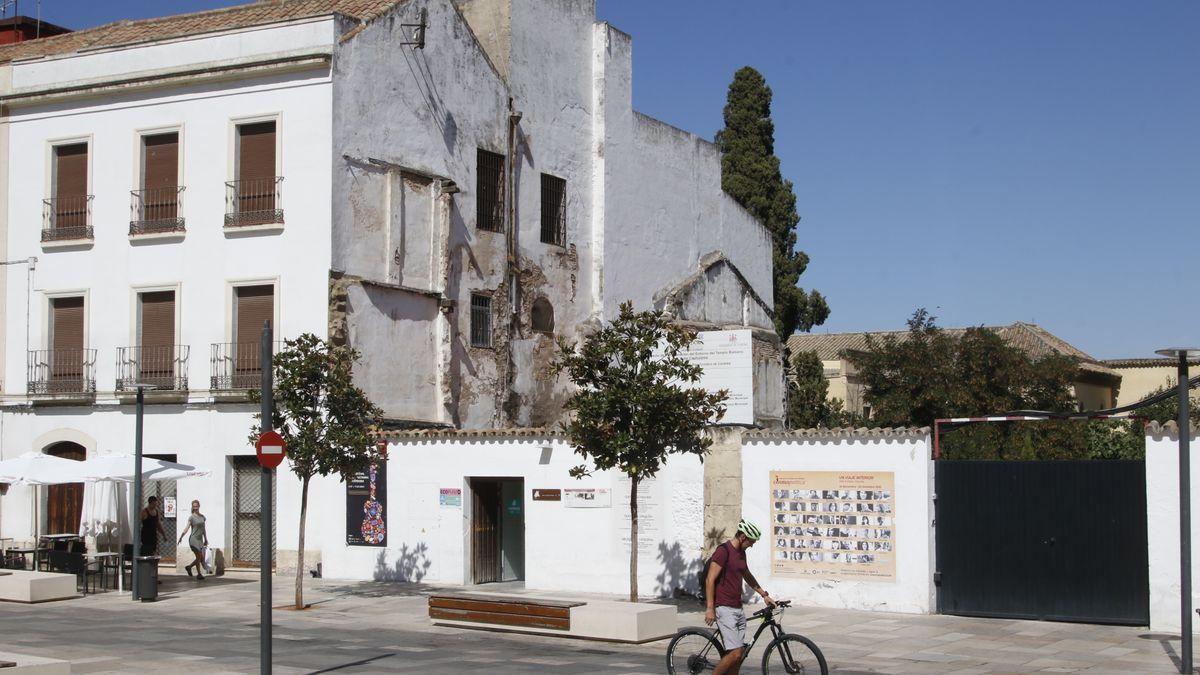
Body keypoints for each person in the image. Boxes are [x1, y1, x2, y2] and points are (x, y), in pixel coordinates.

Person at [705, 519, 775, 675]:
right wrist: (710, 608)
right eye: (751, 541)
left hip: (737, 608)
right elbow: (710, 579)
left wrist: (764, 594)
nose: (752, 545)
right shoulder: (723, 551)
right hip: (724, 607)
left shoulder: (741, 553)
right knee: (736, 652)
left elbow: (747, 575)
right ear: (743, 537)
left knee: (739, 655)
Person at [177, 500, 209, 580]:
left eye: (196, 506)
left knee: (200, 558)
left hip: (200, 540)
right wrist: (181, 537)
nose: (195, 508)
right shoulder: (191, 517)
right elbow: (186, 528)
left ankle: (189, 567)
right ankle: (199, 574)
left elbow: (203, 529)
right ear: (192, 507)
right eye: (194, 506)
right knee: (198, 557)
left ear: (199, 506)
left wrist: (205, 539)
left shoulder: (202, 517)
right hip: (193, 539)